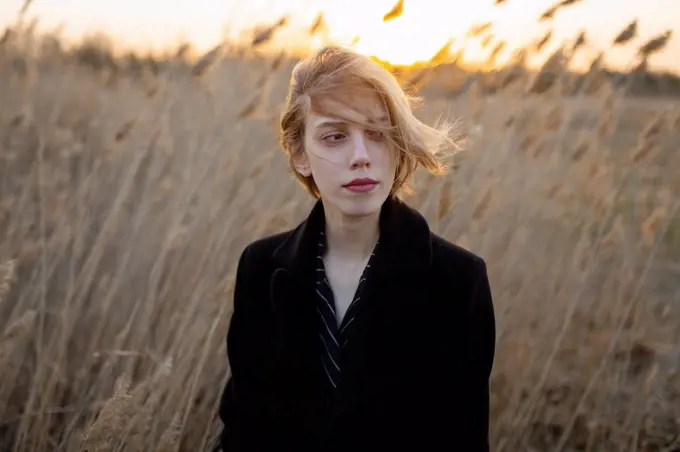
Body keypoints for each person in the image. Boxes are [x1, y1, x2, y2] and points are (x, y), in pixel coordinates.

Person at [217, 45, 496, 452]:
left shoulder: (457, 281)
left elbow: (463, 440)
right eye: (334, 137)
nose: (361, 157)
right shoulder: (260, 268)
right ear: (299, 155)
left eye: (378, 134)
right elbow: (241, 432)